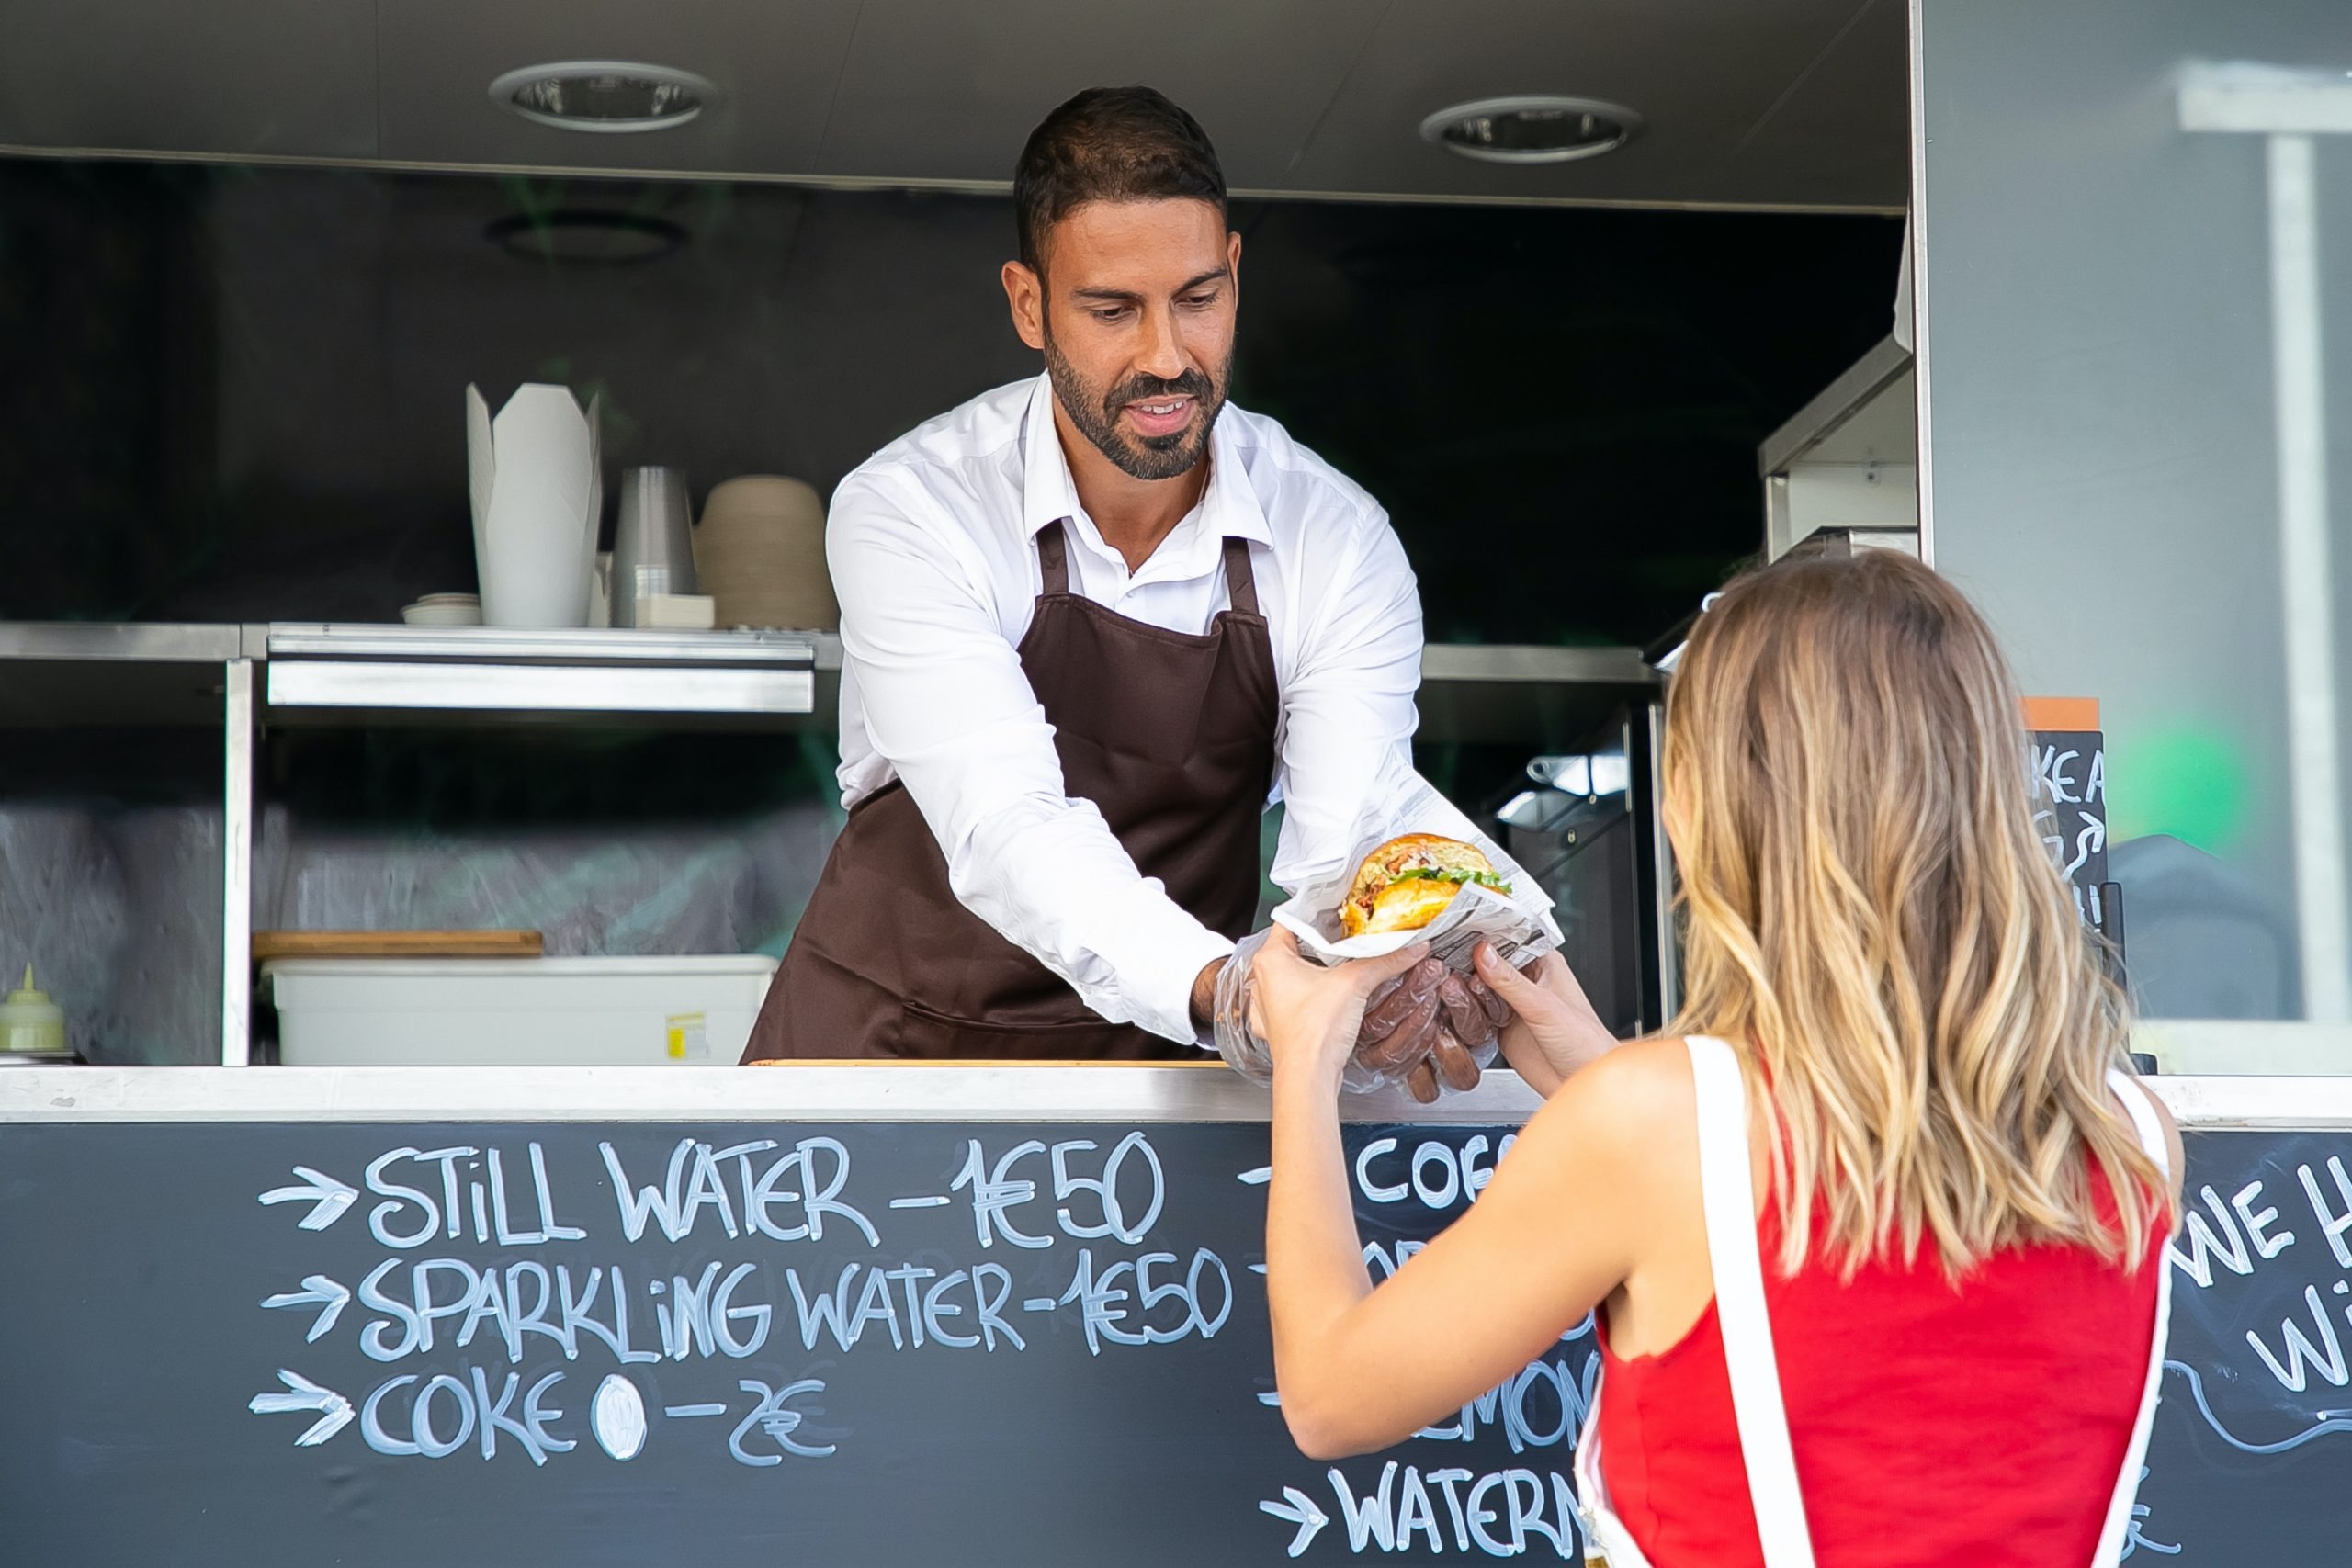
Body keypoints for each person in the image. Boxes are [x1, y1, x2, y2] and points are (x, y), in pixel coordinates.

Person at [1252, 548, 2185, 1566]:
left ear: (1710, 806)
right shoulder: (2132, 1138)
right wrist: (1601, 1065)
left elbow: (1330, 1399)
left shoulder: (1645, 1131)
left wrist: (1303, 1057)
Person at [744, 85, 1500, 1089]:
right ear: (1028, 305)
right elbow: (1006, 821)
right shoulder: (912, 506)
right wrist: (1222, 991)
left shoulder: (1335, 538)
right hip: (885, 1065)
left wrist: (1384, 982)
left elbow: (1343, 843)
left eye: (1197, 300)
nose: (1166, 358)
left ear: (1234, 274)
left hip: (1161, 1081)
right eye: (1112, 310)